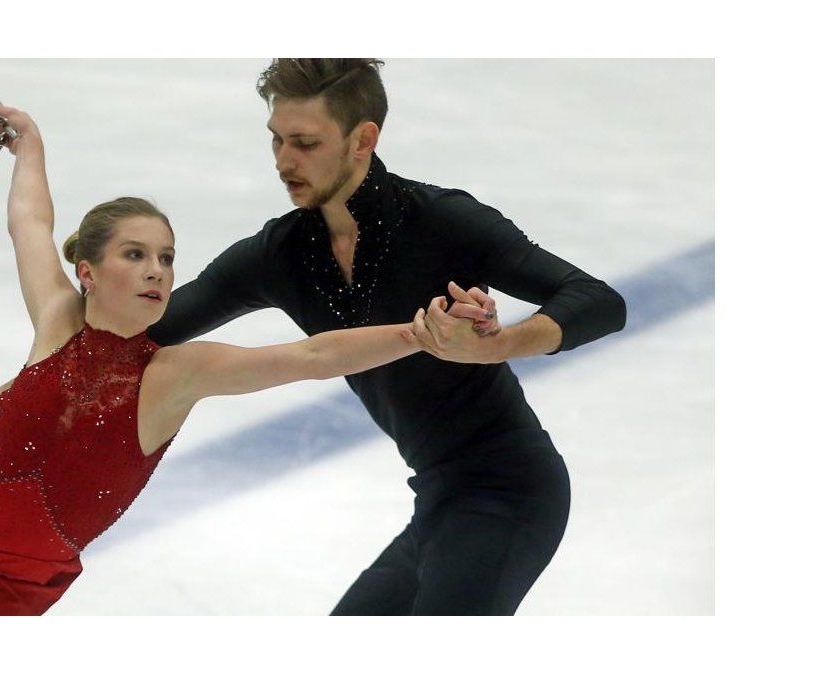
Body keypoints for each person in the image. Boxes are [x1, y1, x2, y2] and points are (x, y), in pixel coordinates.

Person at [0, 66, 490, 615]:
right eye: (136, 255)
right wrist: (31, 147)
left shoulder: (172, 374)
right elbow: (31, 220)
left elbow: (312, 357)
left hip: (7, 570)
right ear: (89, 271)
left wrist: (418, 332)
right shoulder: (58, 319)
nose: (158, 271)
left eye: (166, 258)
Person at [143, 59, 628, 615]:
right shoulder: (282, 255)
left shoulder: (442, 222)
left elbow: (598, 301)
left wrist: (497, 346)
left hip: (510, 493)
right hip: (437, 501)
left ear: (362, 139)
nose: (283, 161)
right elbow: (150, 331)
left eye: (304, 143)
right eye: (276, 140)